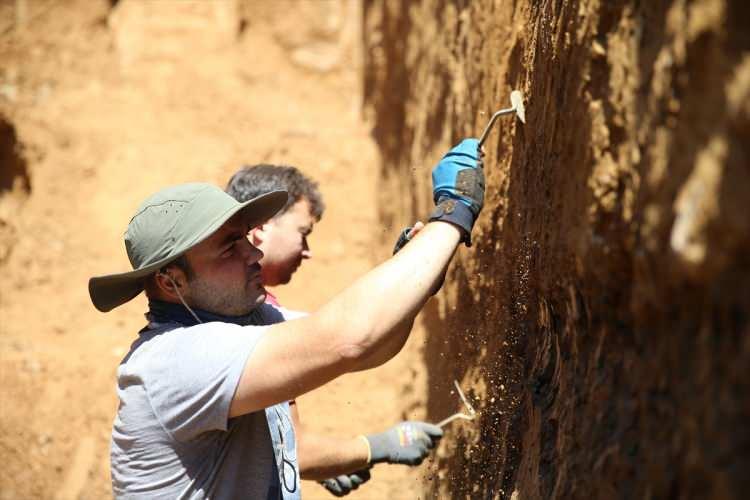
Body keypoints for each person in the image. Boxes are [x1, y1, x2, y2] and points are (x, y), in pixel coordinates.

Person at [89, 138, 484, 499]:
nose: (253, 255)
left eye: (245, 239)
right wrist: (453, 213)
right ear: (172, 281)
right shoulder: (176, 358)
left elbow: (372, 347)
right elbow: (349, 339)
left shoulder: (251, 319)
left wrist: (415, 273)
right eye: (230, 248)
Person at [226, 164, 430, 496]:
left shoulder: (261, 313)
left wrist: (414, 281)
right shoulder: (239, 319)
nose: (308, 251)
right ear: (261, 227)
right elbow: (296, 453)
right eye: (302, 232)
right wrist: (378, 446)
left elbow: (373, 346)